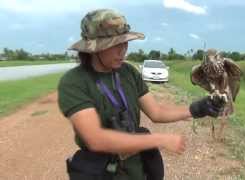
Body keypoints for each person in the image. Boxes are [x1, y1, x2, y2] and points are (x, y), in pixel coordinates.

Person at [57, 9, 225, 180]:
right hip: (101, 172)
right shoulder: (74, 82)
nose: (123, 51)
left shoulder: (128, 72)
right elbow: (96, 138)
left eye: (125, 43)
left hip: (136, 169)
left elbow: (157, 112)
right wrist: (159, 140)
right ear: (94, 48)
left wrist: (198, 108)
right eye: (115, 45)